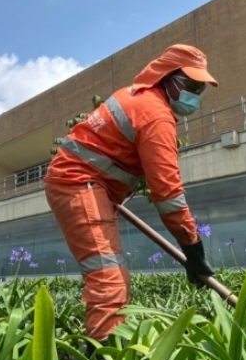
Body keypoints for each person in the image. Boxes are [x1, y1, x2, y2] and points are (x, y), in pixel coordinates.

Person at [44, 44, 218, 341]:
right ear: (167, 78)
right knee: (108, 278)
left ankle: (106, 352)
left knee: (111, 274)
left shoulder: (136, 96)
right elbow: (167, 193)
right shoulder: (155, 116)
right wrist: (193, 248)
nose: (195, 95)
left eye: (200, 89)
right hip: (79, 183)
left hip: (87, 184)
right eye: (190, 85)